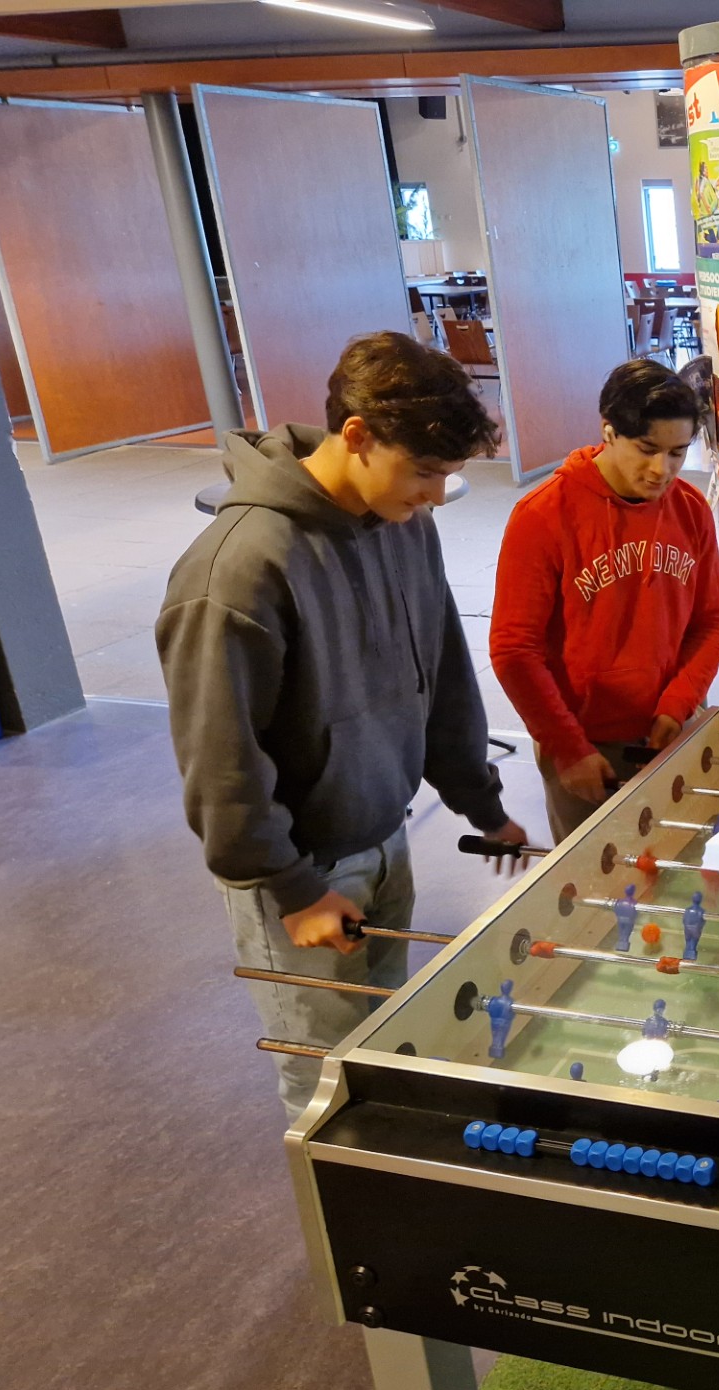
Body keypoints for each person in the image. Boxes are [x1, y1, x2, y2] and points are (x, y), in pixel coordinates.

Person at [157, 331, 529, 1125]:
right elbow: (220, 761)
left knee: (384, 1036)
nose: (434, 495)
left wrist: (481, 803)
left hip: (385, 836)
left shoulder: (403, 525)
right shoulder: (236, 570)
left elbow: (442, 675)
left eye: (448, 476)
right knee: (323, 1081)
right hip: (301, 868)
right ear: (355, 435)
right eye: (423, 471)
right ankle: (341, 1244)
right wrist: (293, 888)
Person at [490, 359, 719, 845]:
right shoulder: (542, 516)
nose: (661, 469)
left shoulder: (690, 509)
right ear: (608, 432)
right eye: (647, 450)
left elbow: (712, 619)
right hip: (586, 743)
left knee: (681, 874)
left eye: (678, 453)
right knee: (596, 895)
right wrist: (566, 747)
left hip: (671, 727)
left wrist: (678, 705)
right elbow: (514, 651)